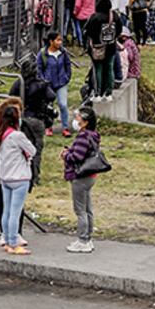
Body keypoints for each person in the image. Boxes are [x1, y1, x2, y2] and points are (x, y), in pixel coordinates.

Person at [0, 102, 37, 255]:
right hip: (20, 177)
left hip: (5, 177)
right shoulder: (17, 136)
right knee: (15, 212)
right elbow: (32, 150)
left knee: (6, 210)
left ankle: (6, 239)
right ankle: (13, 243)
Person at [61, 105, 102, 253]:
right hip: (90, 176)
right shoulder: (93, 135)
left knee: (80, 210)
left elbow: (77, 157)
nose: (75, 120)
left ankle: (83, 239)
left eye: (78, 117)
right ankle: (88, 238)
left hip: (80, 176)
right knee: (87, 208)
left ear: (85, 122)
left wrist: (66, 155)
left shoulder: (83, 137)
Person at [37, 32, 73, 137]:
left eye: (60, 40)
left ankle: (65, 127)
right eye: (57, 40)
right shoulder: (43, 53)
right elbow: (39, 69)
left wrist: (67, 77)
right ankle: (49, 127)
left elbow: (68, 65)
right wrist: (44, 81)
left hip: (61, 82)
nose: (60, 42)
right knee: (49, 106)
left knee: (63, 104)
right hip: (48, 84)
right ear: (51, 41)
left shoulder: (63, 52)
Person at [82, 0, 118, 102]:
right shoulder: (114, 16)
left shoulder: (95, 17)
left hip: (97, 48)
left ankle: (97, 93)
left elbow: (87, 31)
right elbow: (119, 30)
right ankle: (108, 93)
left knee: (97, 69)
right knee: (109, 69)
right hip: (111, 46)